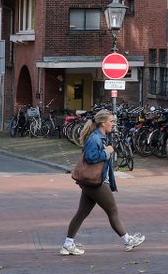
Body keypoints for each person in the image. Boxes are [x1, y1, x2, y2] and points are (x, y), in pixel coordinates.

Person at [61, 109, 145, 256]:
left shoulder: (100, 137)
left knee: (82, 213)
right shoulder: (95, 138)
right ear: (103, 123)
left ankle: (67, 244)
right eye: (111, 121)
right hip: (96, 182)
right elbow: (90, 157)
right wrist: (108, 151)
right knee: (112, 211)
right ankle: (128, 240)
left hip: (90, 182)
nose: (113, 124)